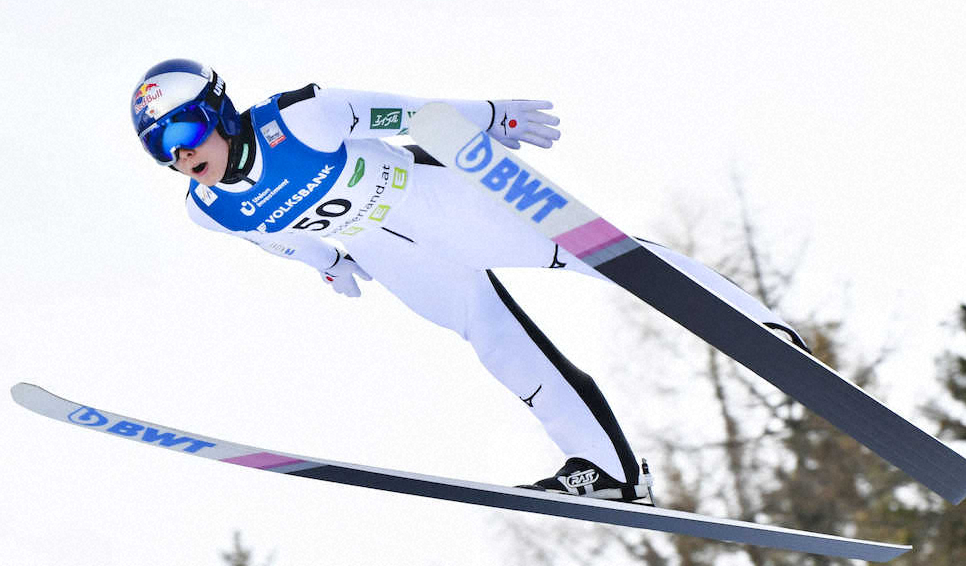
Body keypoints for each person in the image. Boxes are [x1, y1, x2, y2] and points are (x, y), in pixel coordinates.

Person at [131, 58, 803, 503]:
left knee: (599, 255)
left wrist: (487, 116)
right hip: (395, 256)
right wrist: (330, 264)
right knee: (496, 342)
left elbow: (407, 114)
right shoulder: (207, 209)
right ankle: (609, 473)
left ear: (218, 110)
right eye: (163, 148)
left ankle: (761, 330)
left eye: (185, 129)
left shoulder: (299, 116)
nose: (183, 153)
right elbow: (275, 241)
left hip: (434, 201)